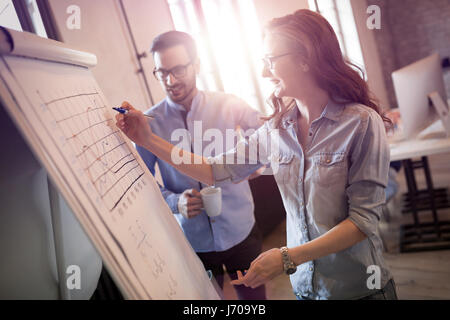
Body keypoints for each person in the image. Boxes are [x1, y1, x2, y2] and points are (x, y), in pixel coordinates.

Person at [116, 10, 398, 300]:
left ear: (306, 58)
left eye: (271, 61)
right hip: (306, 290)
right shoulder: (275, 129)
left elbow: (362, 221)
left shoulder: (362, 123)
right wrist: (147, 139)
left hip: (359, 290)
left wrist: (288, 257)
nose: (264, 72)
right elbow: (214, 169)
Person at [135, 31, 266, 300]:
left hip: (241, 231)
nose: (170, 80)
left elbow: (265, 134)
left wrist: (254, 165)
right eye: (162, 72)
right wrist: (175, 203)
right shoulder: (148, 124)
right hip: (194, 242)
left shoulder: (228, 104)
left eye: (179, 69)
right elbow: (141, 182)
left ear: (197, 65)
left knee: (254, 302)